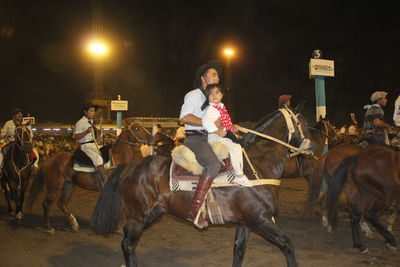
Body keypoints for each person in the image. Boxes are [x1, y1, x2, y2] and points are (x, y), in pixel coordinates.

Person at [179, 60, 222, 228]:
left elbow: (217, 124)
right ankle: (195, 209)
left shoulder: (214, 99)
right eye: (213, 74)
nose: (217, 77)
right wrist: (207, 123)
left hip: (211, 138)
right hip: (196, 139)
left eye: (217, 75)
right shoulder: (194, 95)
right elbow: (184, 118)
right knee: (213, 164)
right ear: (203, 78)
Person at [202, 84, 252, 187]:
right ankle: (239, 175)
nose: (214, 95)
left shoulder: (221, 107)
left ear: (222, 95)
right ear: (207, 97)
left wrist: (231, 126)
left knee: (237, 144)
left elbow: (224, 121)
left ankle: (235, 171)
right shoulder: (211, 109)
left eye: (217, 92)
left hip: (222, 134)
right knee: (235, 146)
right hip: (215, 136)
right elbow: (206, 122)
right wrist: (217, 131)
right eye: (211, 93)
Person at [73, 103, 106, 189]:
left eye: (94, 111)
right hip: (86, 146)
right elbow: (75, 137)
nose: (93, 113)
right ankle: (105, 182)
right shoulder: (80, 122)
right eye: (91, 111)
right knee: (98, 159)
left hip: (94, 145)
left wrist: (98, 133)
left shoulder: (91, 122)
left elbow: (96, 138)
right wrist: (86, 132)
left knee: (107, 153)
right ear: (85, 112)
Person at [0, 108, 35, 175]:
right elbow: (2, 134)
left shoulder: (26, 124)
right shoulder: (8, 123)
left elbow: (31, 135)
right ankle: (1, 168)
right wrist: (8, 136)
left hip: (23, 144)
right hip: (10, 143)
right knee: (1, 153)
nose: (20, 115)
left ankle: (34, 166)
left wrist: (28, 140)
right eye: (17, 114)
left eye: (21, 114)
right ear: (13, 116)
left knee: (34, 153)